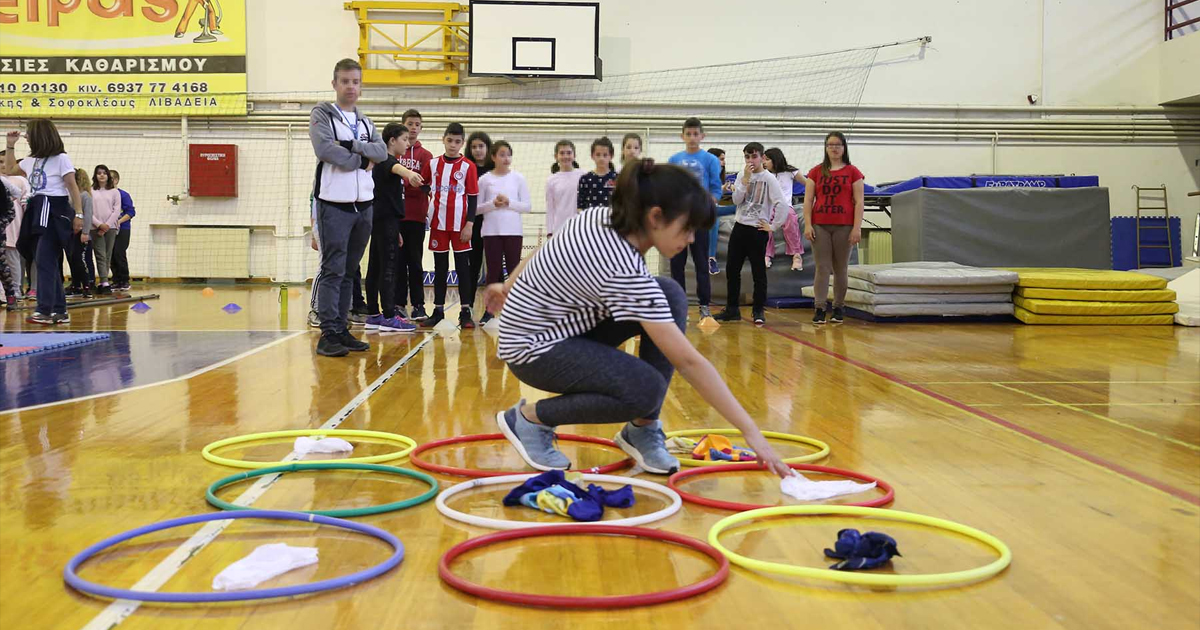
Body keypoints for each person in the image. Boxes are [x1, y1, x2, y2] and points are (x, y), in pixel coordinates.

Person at [487, 158, 790, 478]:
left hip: (558, 330)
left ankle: (642, 430)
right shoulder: (622, 268)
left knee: (669, 293)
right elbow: (689, 363)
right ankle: (530, 419)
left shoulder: (599, 216)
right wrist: (750, 431)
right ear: (656, 216)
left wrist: (508, 285)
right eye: (687, 229)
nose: (690, 240)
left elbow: (547, 247)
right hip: (531, 350)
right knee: (645, 389)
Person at [309, 58, 387, 357]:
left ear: (361, 85)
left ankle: (342, 329)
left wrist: (353, 146)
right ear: (334, 84)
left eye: (355, 81)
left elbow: (381, 151)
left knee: (350, 269)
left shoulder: (365, 121)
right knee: (333, 269)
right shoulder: (323, 114)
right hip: (334, 206)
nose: (350, 87)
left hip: (363, 206)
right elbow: (325, 149)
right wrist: (362, 161)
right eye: (345, 81)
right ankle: (328, 332)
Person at [4, 119, 84, 325]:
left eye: (29, 134)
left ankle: (45, 310)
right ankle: (59, 310)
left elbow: (72, 186)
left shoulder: (61, 158)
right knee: (44, 260)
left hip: (55, 210)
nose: (27, 137)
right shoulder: (32, 160)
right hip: (37, 207)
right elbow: (10, 169)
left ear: (40, 136)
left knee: (45, 259)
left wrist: (79, 214)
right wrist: (10, 144)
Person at [713, 142, 788, 326]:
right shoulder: (742, 175)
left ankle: (758, 310)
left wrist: (773, 226)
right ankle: (732, 309)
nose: (750, 160)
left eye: (754, 156)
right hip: (740, 227)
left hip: (757, 230)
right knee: (732, 269)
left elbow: (781, 203)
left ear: (762, 157)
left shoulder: (769, 179)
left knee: (758, 272)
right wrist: (744, 181)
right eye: (747, 157)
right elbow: (737, 200)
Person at [364, 122, 421, 333]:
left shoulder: (381, 161)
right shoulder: (386, 160)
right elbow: (395, 167)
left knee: (375, 266)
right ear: (392, 141)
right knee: (388, 267)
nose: (408, 143)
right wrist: (409, 174)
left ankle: (373, 314)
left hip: (383, 221)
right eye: (404, 139)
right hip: (385, 220)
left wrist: (395, 230)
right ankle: (388, 315)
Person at [803, 131, 864, 325]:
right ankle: (820, 307)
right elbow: (808, 199)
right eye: (830, 145)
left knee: (840, 268)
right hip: (820, 225)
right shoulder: (816, 171)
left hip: (844, 225)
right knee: (822, 267)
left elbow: (859, 201)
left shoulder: (853, 172)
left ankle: (838, 307)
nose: (834, 148)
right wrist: (808, 223)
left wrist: (856, 228)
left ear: (844, 147)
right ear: (826, 148)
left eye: (838, 144)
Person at [423, 122, 479, 329]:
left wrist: (469, 224)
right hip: (438, 224)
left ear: (462, 143)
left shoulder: (468, 167)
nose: (453, 145)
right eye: (450, 140)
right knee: (440, 267)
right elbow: (423, 185)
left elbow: (472, 198)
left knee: (463, 267)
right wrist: (427, 208)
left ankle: (465, 312)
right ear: (443, 139)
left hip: (460, 226)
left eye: (457, 142)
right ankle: (437, 310)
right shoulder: (433, 164)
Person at [667, 117, 719, 320]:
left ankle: (704, 306)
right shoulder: (674, 160)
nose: (692, 138)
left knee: (700, 263)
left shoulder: (710, 160)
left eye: (695, 134)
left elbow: (715, 188)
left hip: (699, 219)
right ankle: (679, 307)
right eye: (688, 134)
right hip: (679, 221)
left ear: (702, 136)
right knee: (677, 265)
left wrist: (706, 207)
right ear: (682, 136)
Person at [476, 140, 530, 325]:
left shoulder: (518, 178)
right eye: (502, 154)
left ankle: (515, 312)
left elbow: (527, 206)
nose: (506, 158)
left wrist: (509, 203)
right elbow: (475, 209)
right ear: (493, 157)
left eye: (508, 154)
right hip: (491, 232)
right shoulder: (484, 180)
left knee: (514, 270)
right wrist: (493, 204)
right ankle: (489, 311)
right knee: (493, 272)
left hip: (513, 231)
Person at [396, 109, 433, 321]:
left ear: (421, 128)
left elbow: (425, 186)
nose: (413, 128)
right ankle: (399, 303)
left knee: (416, 262)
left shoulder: (425, 156)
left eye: (417, 124)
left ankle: (419, 305)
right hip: (397, 216)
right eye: (410, 123)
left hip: (417, 216)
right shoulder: (396, 153)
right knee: (399, 263)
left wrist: (408, 184)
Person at [763, 148, 805, 272]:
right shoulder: (765, 174)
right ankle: (766, 255)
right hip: (769, 207)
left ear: (775, 160)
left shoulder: (790, 172)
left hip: (785, 206)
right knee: (764, 224)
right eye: (763, 159)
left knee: (790, 221)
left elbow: (807, 183)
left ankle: (796, 255)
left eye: (767, 159)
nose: (764, 162)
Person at [466, 131, 493, 295]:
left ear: (488, 148)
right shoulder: (467, 169)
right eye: (474, 147)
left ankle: (496, 310)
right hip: (473, 222)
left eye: (481, 146)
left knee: (494, 264)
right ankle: (468, 306)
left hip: (492, 222)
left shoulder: (495, 170)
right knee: (473, 264)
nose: (477, 150)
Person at [89, 164, 121, 294]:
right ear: (95, 176)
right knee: (100, 254)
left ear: (108, 176)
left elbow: (116, 210)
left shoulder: (115, 192)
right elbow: (88, 211)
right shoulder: (90, 191)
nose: (101, 175)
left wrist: (107, 225)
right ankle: (105, 281)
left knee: (107, 255)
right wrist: (99, 225)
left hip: (111, 228)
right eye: (99, 173)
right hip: (95, 227)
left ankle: (103, 282)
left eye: (104, 173)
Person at [0, 157, 28, 308]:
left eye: (5, 161)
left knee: (6, 262)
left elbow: (19, 197)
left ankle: (13, 292)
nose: (3, 165)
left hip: (7, 229)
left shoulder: (14, 181)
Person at [706, 147, 737, 275]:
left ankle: (711, 258)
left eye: (724, 159)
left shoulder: (719, 175)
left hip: (712, 208)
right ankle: (711, 258)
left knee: (739, 207)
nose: (724, 162)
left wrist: (724, 189)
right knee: (714, 216)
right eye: (721, 159)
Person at [543, 140, 583, 237]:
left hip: (579, 228)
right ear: (556, 157)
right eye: (562, 153)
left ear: (574, 155)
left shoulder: (583, 175)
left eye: (569, 153)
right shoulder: (551, 180)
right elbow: (550, 208)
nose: (565, 156)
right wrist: (549, 232)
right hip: (559, 229)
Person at [65, 169, 94, 297]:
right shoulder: (69, 195)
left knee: (80, 260)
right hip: (70, 233)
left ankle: (86, 285)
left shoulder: (85, 196)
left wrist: (85, 232)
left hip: (81, 233)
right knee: (72, 259)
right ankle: (76, 285)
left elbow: (88, 215)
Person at [109, 170, 135, 291]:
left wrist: (118, 222)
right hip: (108, 229)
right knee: (110, 255)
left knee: (119, 253)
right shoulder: (104, 195)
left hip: (122, 228)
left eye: (111, 178)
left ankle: (124, 280)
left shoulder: (123, 195)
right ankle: (116, 280)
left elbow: (130, 212)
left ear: (116, 180)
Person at [577, 136, 617, 209]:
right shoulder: (585, 179)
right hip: (590, 219)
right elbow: (580, 206)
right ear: (592, 156)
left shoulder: (618, 178)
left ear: (611, 156)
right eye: (598, 155)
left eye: (605, 155)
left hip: (611, 218)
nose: (601, 158)